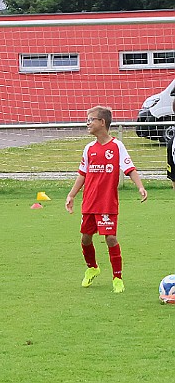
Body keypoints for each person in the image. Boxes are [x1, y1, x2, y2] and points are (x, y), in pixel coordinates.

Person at [65, 106, 148, 293]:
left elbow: (130, 168)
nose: (87, 123)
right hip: (89, 202)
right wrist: (71, 195)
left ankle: (117, 278)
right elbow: (82, 174)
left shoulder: (117, 146)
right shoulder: (89, 148)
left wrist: (140, 186)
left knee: (110, 238)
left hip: (107, 202)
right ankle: (92, 267)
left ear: (102, 122)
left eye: (91, 119)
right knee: (85, 238)